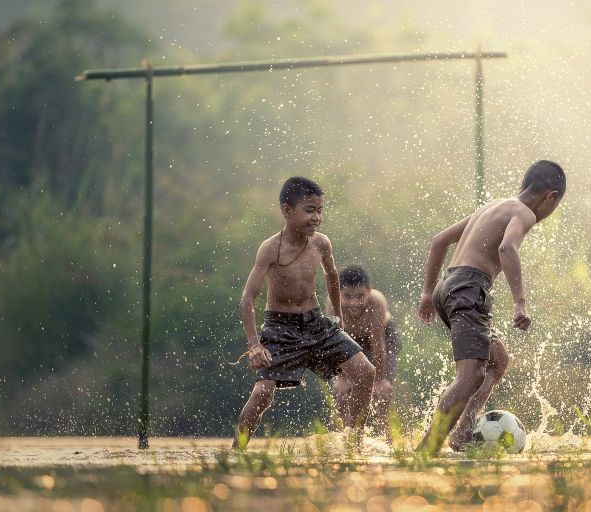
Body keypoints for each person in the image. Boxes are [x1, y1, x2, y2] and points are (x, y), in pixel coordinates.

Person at [416, 160, 566, 455]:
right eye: (555, 204)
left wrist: (426, 293)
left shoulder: (494, 206)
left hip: (449, 287)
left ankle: (462, 432)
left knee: (498, 361)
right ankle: (425, 452)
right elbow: (506, 248)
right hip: (470, 288)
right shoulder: (524, 213)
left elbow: (439, 242)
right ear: (551, 196)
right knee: (470, 376)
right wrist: (520, 303)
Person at [233, 177, 375, 447]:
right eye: (309, 210)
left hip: (316, 323)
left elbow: (332, 276)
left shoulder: (321, 243)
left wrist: (338, 319)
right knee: (263, 392)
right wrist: (254, 345)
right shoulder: (270, 249)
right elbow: (248, 298)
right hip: (280, 328)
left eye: (320, 210)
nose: (317, 217)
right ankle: (236, 451)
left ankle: (354, 443)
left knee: (366, 372)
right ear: (287, 211)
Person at [331, 265, 401, 435]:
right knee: (342, 391)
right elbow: (336, 344)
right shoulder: (332, 305)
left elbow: (378, 343)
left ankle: (387, 434)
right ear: (339, 294)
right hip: (348, 341)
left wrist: (380, 380)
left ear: (369, 292)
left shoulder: (377, 302)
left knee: (382, 391)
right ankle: (348, 434)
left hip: (383, 338)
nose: (354, 302)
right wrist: (342, 378)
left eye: (360, 296)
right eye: (347, 296)